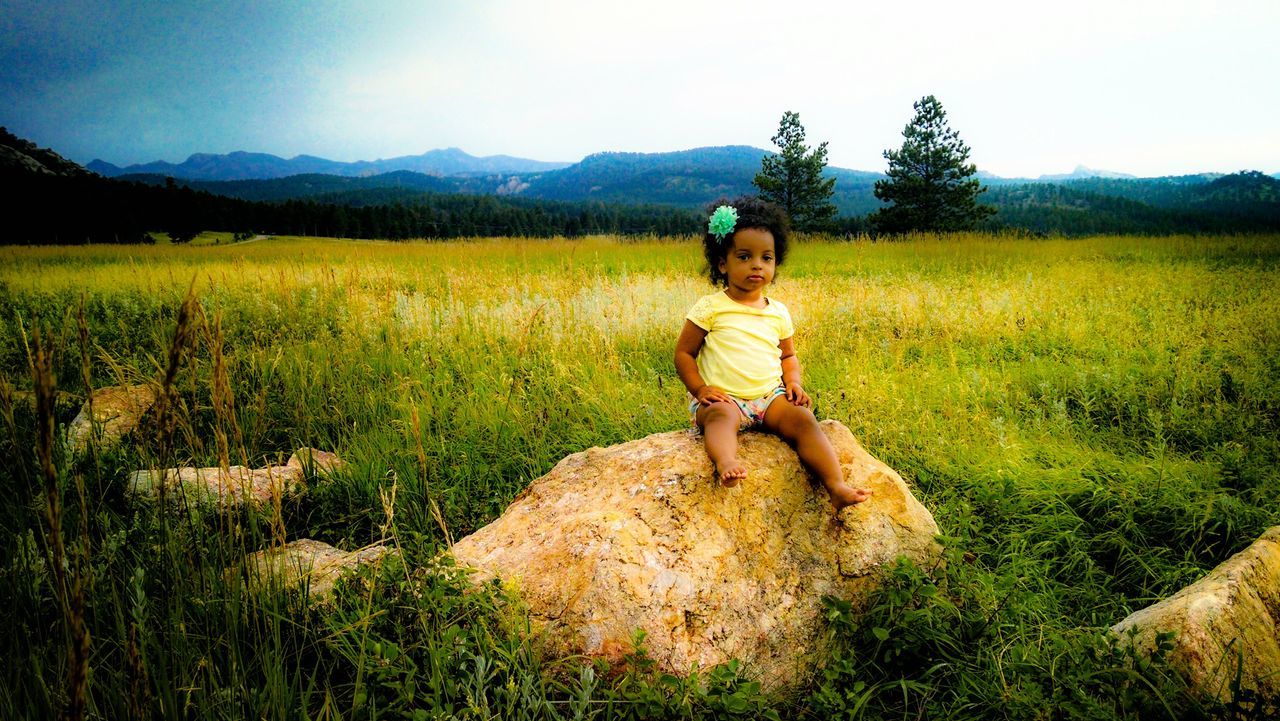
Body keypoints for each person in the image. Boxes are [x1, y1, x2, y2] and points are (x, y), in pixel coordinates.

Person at [673, 196, 871, 511]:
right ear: (722, 263)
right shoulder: (711, 307)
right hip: (726, 399)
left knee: (804, 419)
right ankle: (727, 463)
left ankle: (836, 486)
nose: (757, 265)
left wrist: (794, 383)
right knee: (721, 419)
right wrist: (700, 390)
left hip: (769, 397)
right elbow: (684, 353)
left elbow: (788, 356)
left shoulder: (777, 312)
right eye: (744, 256)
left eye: (767, 257)